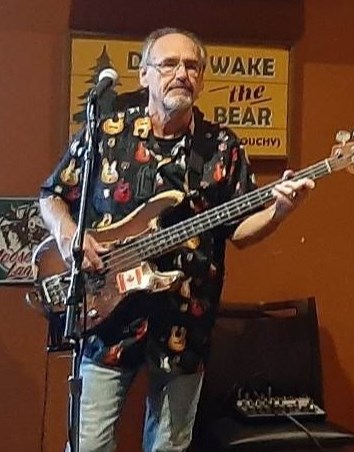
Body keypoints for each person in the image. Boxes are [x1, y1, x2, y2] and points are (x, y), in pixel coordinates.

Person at [39, 27, 314, 452]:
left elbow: (237, 231)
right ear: (145, 75)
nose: (181, 73)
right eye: (169, 64)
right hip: (105, 319)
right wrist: (68, 233)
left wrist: (278, 210)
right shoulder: (107, 134)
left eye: (192, 66)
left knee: (170, 445)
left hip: (186, 320)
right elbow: (52, 195)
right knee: (88, 445)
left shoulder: (222, 147)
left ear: (202, 79)